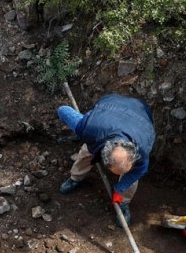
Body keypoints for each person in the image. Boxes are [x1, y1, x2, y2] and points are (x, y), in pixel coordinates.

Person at [56, 94, 155, 224]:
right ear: (103, 155)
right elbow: (63, 110)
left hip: (141, 113)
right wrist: (80, 127)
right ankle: (76, 178)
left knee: (131, 179)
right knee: (87, 152)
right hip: (110, 105)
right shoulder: (89, 128)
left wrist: (120, 189)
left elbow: (139, 171)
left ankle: (123, 201)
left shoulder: (143, 148)